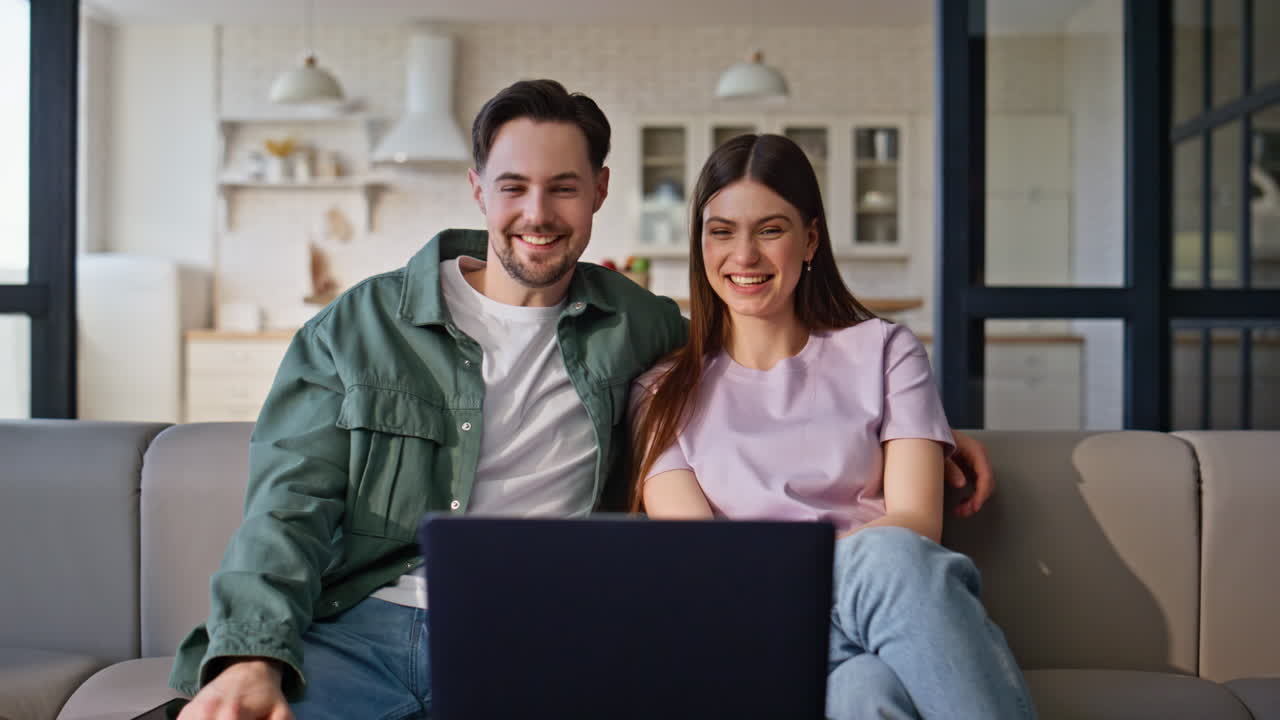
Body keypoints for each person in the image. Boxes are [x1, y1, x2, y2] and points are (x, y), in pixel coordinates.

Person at [172, 80, 995, 720]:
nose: (538, 214)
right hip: (363, 630)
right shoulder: (360, 327)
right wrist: (252, 655)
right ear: (478, 189)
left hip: (540, 635)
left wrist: (923, 424)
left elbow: (760, 346)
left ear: (599, 191)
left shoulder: (634, 328)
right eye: (514, 187)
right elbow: (287, 507)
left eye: (563, 188)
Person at [630, 133, 1035, 720]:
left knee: (867, 690)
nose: (744, 255)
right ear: (701, 243)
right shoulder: (661, 393)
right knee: (887, 562)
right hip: (752, 621)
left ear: (811, 239)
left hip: (882, 611)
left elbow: (918, 521)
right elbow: (707, 563)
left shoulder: (887, 351)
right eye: (721, 231)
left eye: (770, 230)